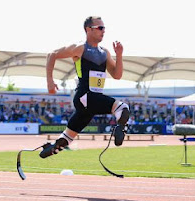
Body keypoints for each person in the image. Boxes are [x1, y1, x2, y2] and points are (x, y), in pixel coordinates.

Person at [39, 16, 130, 158]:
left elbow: (117, 75)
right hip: (85, 96)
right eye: (100, 28)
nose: (103, 31)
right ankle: (120, 130)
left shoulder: (104, 52)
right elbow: (52, 54)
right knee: (122, 108)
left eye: (104, 28)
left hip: (92, 101)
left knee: (68, 137)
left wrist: (119, 55)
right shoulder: (80, 48)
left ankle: (49, 149)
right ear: (88, 29)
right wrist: (50, 81)